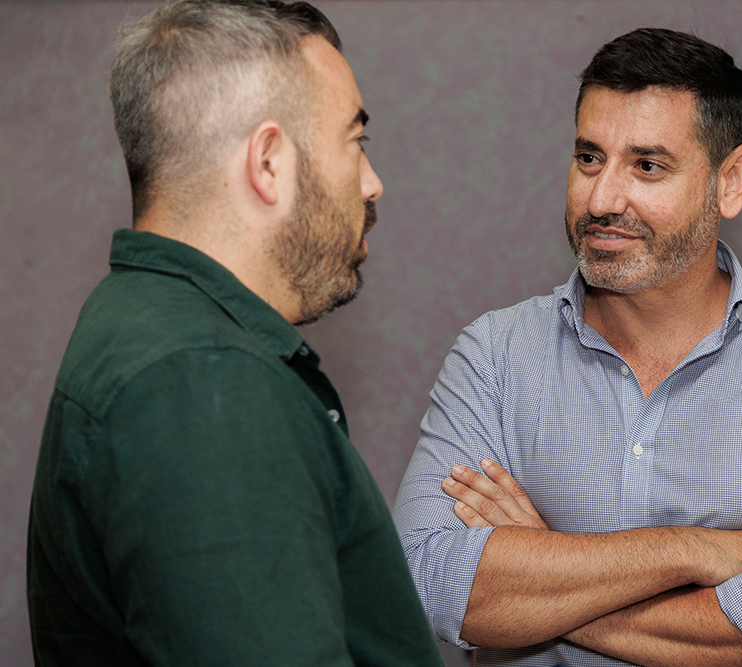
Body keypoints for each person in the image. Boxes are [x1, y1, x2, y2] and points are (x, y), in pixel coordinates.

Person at [394, 27, 742, 667]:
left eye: (647, 166)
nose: (602, 199)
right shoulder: (494, 354)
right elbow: (420, 582)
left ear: (731, 181)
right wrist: (694, 551)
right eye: (589, 158)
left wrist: (542, 573)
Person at [27, 1, 444, 665]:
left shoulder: (146, 323)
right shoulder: (200, 380)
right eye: (355, 142)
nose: (372, 184)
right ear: (268, 162)